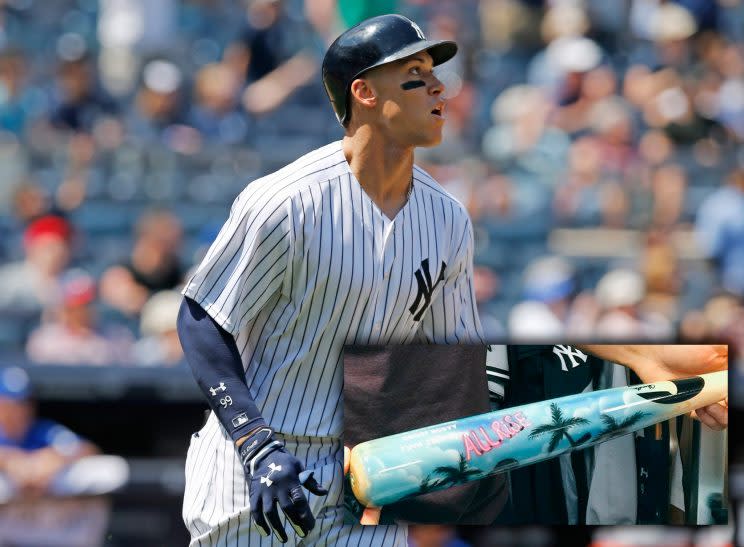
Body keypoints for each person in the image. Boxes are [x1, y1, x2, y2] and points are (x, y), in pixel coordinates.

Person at [176, 14, 483, 546]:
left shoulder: (448, 218)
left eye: (435, 73)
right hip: (255, 474)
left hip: (365, 480)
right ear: (362, 91)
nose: (438, 87)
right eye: (415, 74)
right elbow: (202, 319)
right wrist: (254, 442)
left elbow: (449, 361)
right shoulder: (286, 201)